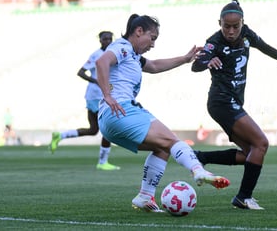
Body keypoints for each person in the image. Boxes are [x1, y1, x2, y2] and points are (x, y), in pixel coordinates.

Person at [96, 13, 230, 212]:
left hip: (109, 120)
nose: (153, 44)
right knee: (173, 141)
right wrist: (107, 94)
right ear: (139, 31)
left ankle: (145, 196)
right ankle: (198, 170)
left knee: (163, 148)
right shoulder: (122, 47)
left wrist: (185, 59)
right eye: (152, 38)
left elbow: (154, 66)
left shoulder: (133, 55)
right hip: (121, 110)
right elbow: (101, 62)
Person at [191, 0, 277, 210]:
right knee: (261, 143)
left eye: (236, 26)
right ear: (220, 23)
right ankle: (243, 197)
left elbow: (266, 48)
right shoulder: (214, 42)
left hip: (232, 102)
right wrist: (207, 61)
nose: (232, 31)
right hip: (221, 101)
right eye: (227, 26)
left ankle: (200, 157)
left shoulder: (247, 35)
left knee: (251, 154)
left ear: (243, 23)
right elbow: (196, 64)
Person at [49, 31, 120, 171]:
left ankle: (60, 135)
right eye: (104, 39)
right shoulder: (96, 55)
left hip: (103, 95)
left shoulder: (113, 53)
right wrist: (96, 81)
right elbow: (81, 72)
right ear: (100, 40)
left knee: (93, 130)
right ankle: (102, 162)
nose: (107, 41)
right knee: (109, 127)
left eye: (109, 39)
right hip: (96, 96)